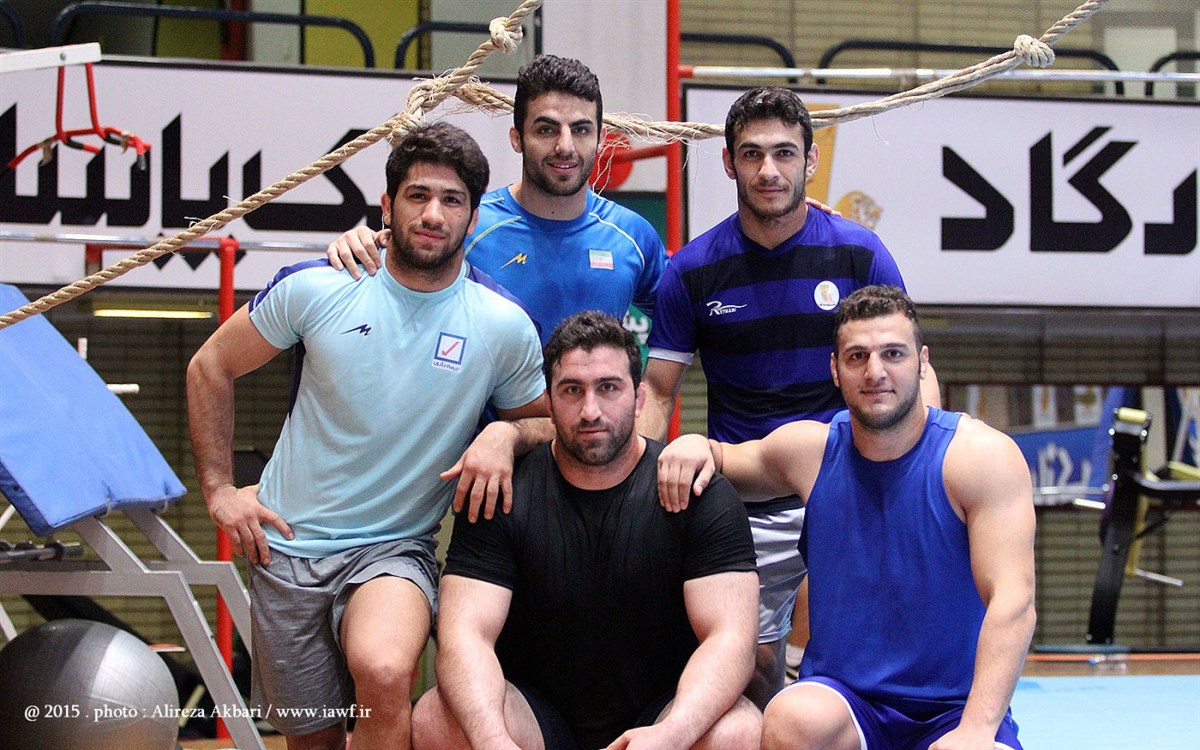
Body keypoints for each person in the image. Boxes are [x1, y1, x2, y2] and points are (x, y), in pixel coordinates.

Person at [186, 122, 549, 750]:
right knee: (314, 741)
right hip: (285, 550)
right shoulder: (318, 286)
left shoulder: (502, 324)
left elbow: (545, 423)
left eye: (452, 200)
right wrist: (219, 490)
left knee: (383, 671)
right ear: (386, 205)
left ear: (473, 218)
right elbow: (209, 366)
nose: (433, 214)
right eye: (417, 195)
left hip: (394, 550)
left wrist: (504, 438)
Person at [637, 86, 941, 705]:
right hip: (741, 496)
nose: (768, 170)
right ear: (729, 163)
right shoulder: (691, 269)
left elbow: (912, 371)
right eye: (752, 154)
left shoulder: (860, 252)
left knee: (860, 666)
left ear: (810, 160)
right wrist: (632, 493)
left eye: (784, 153)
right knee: (747, 671)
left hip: (852, 490)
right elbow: (658, 391)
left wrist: (926, 478)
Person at [658, 285, 1036, 750]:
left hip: (957, 710)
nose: (875, 371)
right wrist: (695, 444)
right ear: (835, 370)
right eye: (857, 357)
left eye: (893, 353)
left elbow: (1013, 602)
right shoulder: (810, 452)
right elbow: (726, 458)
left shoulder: (980, 458)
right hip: (849, 705)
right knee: (791, 718)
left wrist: (975, 731)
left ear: (922, 362)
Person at [411, 311, 763, 750]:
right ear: (549, 402)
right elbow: (465, 635)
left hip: (660, 717)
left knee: (738, 731)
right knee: (435, 719)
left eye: (608, 388)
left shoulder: (700, 493)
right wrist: (492, 741)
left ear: (639, 399)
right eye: (572, 390)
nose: (590, 410)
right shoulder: (501, 492)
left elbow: (730, 639)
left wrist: (670, 735)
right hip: (534, 722)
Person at [326, 54, 668, 343]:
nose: (565, 146)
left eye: (580, 130)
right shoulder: (469, 226)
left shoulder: (634, 236)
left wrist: (651, 393)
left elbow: (682, 324)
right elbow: (392, 284)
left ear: (601, 138)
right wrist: (358, 245)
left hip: (591, 405)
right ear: (516, 138)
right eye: (546, 129)